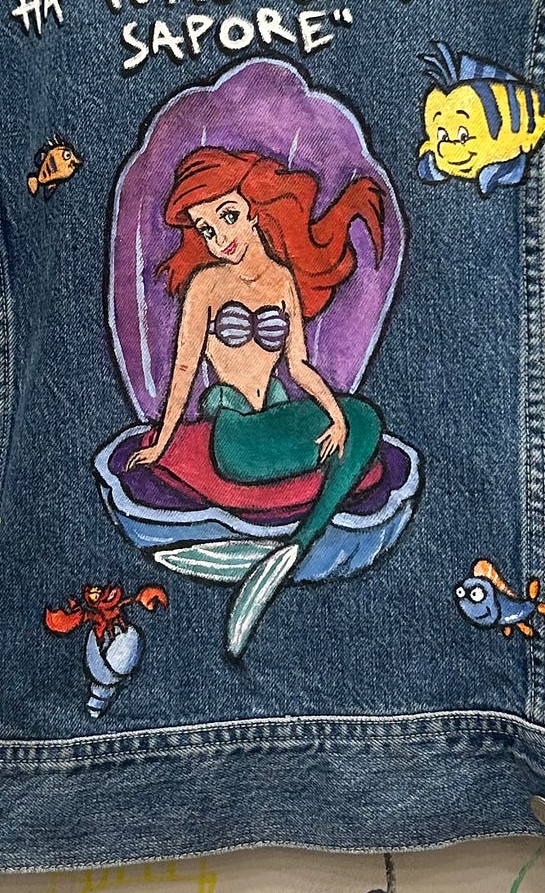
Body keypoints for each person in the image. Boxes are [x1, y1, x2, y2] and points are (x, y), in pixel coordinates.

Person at [129, 145, 386, 654]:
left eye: (226, 217)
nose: (219, 237)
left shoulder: (282, 281)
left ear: (253, 209)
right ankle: (299, 545)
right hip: (234, 435)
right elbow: (184, 370)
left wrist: (334, 414)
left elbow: (298, 366)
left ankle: (291, 548)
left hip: (271, 416)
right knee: (363, 422)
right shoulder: (206, 284)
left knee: (361, 420)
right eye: (206, 230)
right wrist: (161, 442)